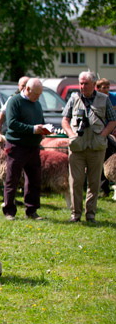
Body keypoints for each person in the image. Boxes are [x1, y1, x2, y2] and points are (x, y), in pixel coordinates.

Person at [62, 71, 116, 223]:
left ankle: (90, 214)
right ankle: (75, 214)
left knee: (94, 182)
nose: (82, 86)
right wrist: (71, 134)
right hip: (77, 146)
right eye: (81, 83)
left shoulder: (104, 99)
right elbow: (65, 120)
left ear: (93, 84)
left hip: (96, 147)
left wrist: (103, 135)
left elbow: (113, 120)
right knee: (76, 181)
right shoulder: (73, 98)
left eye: (86, 83)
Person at [3, 78, 51, 221]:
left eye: (40, 94)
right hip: (16, 146)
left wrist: (45, 129)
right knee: (12, 178)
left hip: (33, 146)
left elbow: (40, 121)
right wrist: (32, 129)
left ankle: (32, 210)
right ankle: (9, 211)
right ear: (28, 89)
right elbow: (11, 123)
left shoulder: (36, 104)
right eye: (36, 94)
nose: (38, 97)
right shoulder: (14, 101)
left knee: (34, 179)